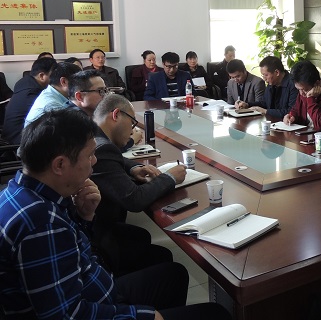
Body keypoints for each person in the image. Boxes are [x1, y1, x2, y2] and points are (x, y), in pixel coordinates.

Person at [0, 108, 231, 320]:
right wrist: (145, 316)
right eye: (89, 155)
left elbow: (74, 257)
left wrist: (85, 217)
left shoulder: (23, 193)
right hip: (93, 305)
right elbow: (68, 316)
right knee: (215, 314)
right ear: (59, 165)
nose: (94, 161)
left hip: (95, 289)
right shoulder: (42, 224)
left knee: (174, 274)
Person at [91, 94, 186, 275]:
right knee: (164, 259)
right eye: (132, 122)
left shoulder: (94, 135)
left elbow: (113, 157)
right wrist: (170, 177)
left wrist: (133, 167)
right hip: (97, 237)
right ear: (116, 115)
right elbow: (134, 199)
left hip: (98, 224)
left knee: (141, 236)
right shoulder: (102, 147)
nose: (132, 129)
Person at [1, 57, 56, 144]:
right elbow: (47, 117)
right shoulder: (33, 92)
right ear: (42, 76)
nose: (55, 79)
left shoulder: (25, 83)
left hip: (11, 137)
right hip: (19, 142)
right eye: (53, 75)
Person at [24, 61, 81, 126]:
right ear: (64, 82)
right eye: (78, 82)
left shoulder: (49, 92)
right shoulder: (53, 106)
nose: (81, 86)